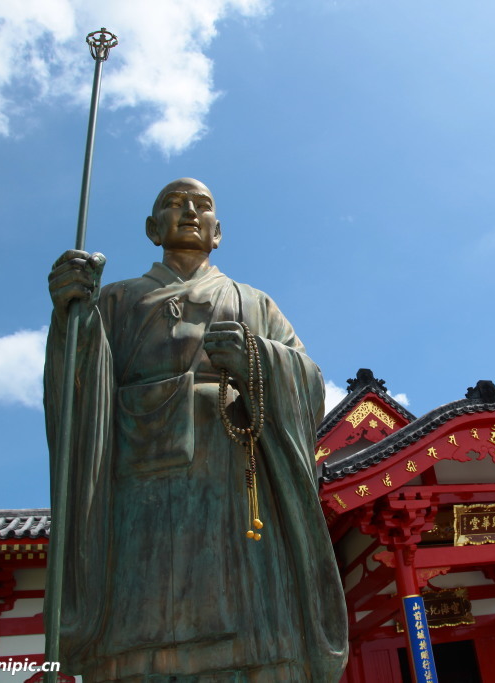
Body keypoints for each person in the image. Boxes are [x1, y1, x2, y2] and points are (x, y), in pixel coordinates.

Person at [44, 178, 347, 683]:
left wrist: (258, 360)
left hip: (236, 479)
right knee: (140, 631)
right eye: (173, 204)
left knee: (256, 628)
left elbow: (310, 385)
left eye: (202, 206)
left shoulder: (254, 303)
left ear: (218, 232)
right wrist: (72, 316)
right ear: (151, 227)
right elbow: (78, 393)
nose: (189, 212)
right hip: (141, 488)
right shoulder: (116, 301)